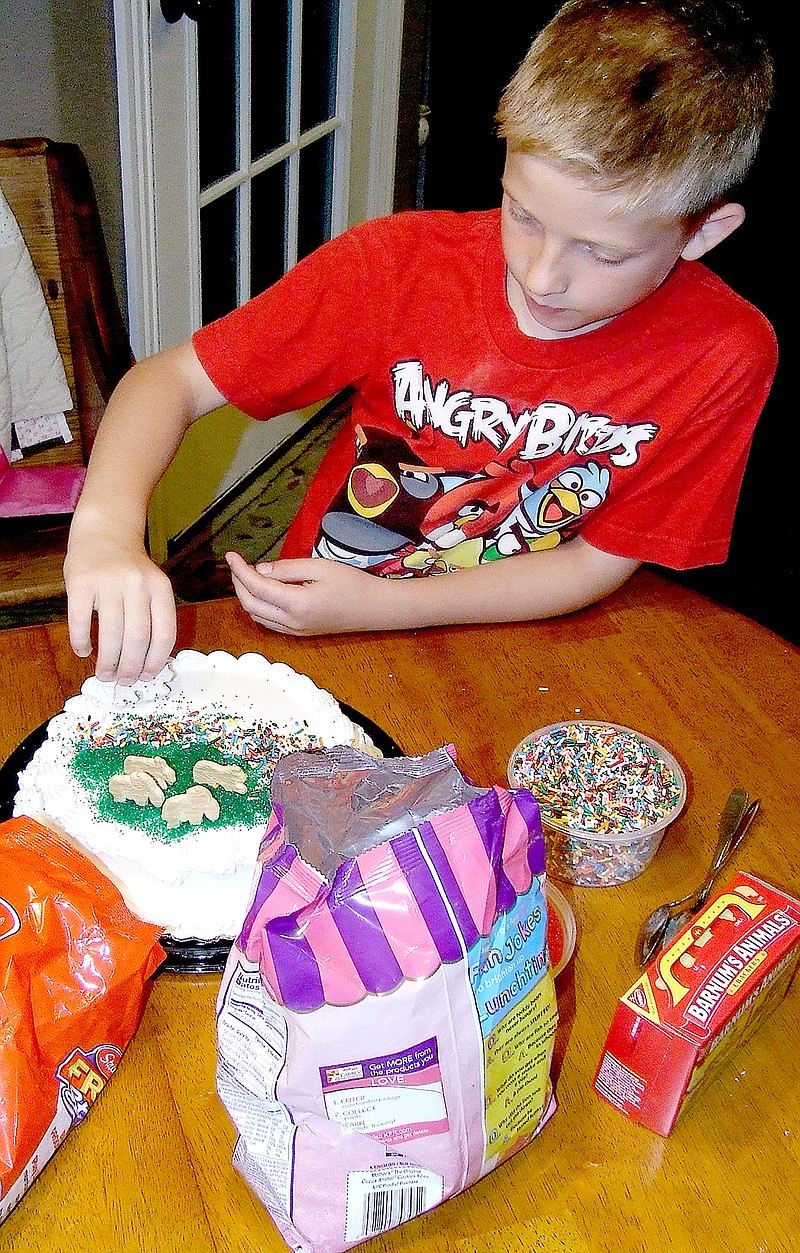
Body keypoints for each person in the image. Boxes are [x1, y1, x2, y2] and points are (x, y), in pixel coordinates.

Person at [65, 0, 777, 684]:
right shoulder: (396, 268)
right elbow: (170, 381)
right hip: (323, 619)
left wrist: (386, 606)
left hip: (523, 639)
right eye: (522, 213)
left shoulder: (726, 354)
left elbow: (595, 563)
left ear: (704, 233)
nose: (542, 275)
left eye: (605, 254)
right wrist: (104, 526)